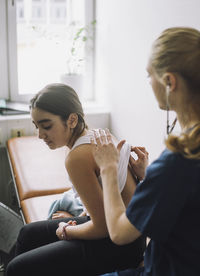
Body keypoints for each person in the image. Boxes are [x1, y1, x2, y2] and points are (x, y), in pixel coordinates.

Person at [90, 27, 200, 276]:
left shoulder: (177, 161)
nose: (149, 82)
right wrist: (150, 174)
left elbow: (120, 232)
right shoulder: (182, 158)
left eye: (149, 75)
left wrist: (108, 168)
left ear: (169, 81)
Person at [6, 83, 148, 276]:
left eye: (46, 126)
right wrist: (80, 219)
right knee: (27, 233)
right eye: (36, 126)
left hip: (119, 245)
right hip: (128, 235)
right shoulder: (97, 138)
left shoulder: (77, 158)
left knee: (17, 268)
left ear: (72, 120)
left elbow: (102, 227)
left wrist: (66, 230)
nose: (40, 135)